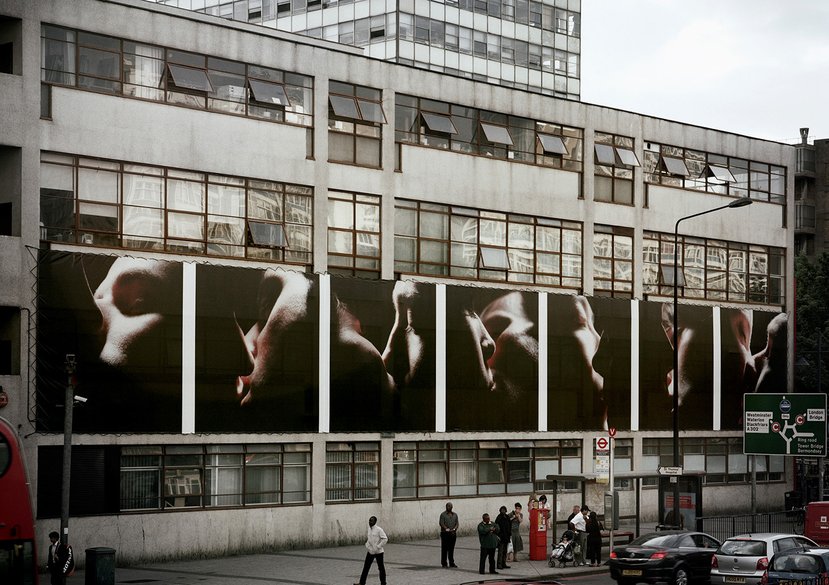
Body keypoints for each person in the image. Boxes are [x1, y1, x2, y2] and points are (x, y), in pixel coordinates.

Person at [356, 516, 388, 585]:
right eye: (369, 521)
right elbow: (369, 539)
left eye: (371, 521)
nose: (370, 522)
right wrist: (367, 545)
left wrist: (378, 546)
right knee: (366, 567)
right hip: (371, 551)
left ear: (375, 522)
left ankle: (383, 583)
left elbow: (385, 539)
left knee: (381, 568)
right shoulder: (369, 529)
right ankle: (362, 583)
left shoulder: (379, 530)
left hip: (379, 552)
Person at [439, 502, 459, 568]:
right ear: (446, 507)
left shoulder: (455, 515)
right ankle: (444, 563)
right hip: (445, 534)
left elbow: (457, 523)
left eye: (450, 506)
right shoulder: (443, 515)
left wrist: (454, 529)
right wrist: (447, 529)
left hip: (453, 534)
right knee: (444, 549)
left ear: (452, 507)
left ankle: (451, 562)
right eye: (448, 506)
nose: (449, 507)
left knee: (451, 549)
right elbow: (441, 523)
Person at [495, 505, 512, 570]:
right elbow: (496, 527)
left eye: (504, 510)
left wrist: (509, 533)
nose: (503, 511)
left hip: (506, 536)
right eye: (502, 510)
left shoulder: (507, 517)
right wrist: (498, 535)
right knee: (500, 551)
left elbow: (509, 525)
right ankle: (499, 564)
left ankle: (503, 563)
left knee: (505, 551)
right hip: (501, 537)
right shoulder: (499, 518)